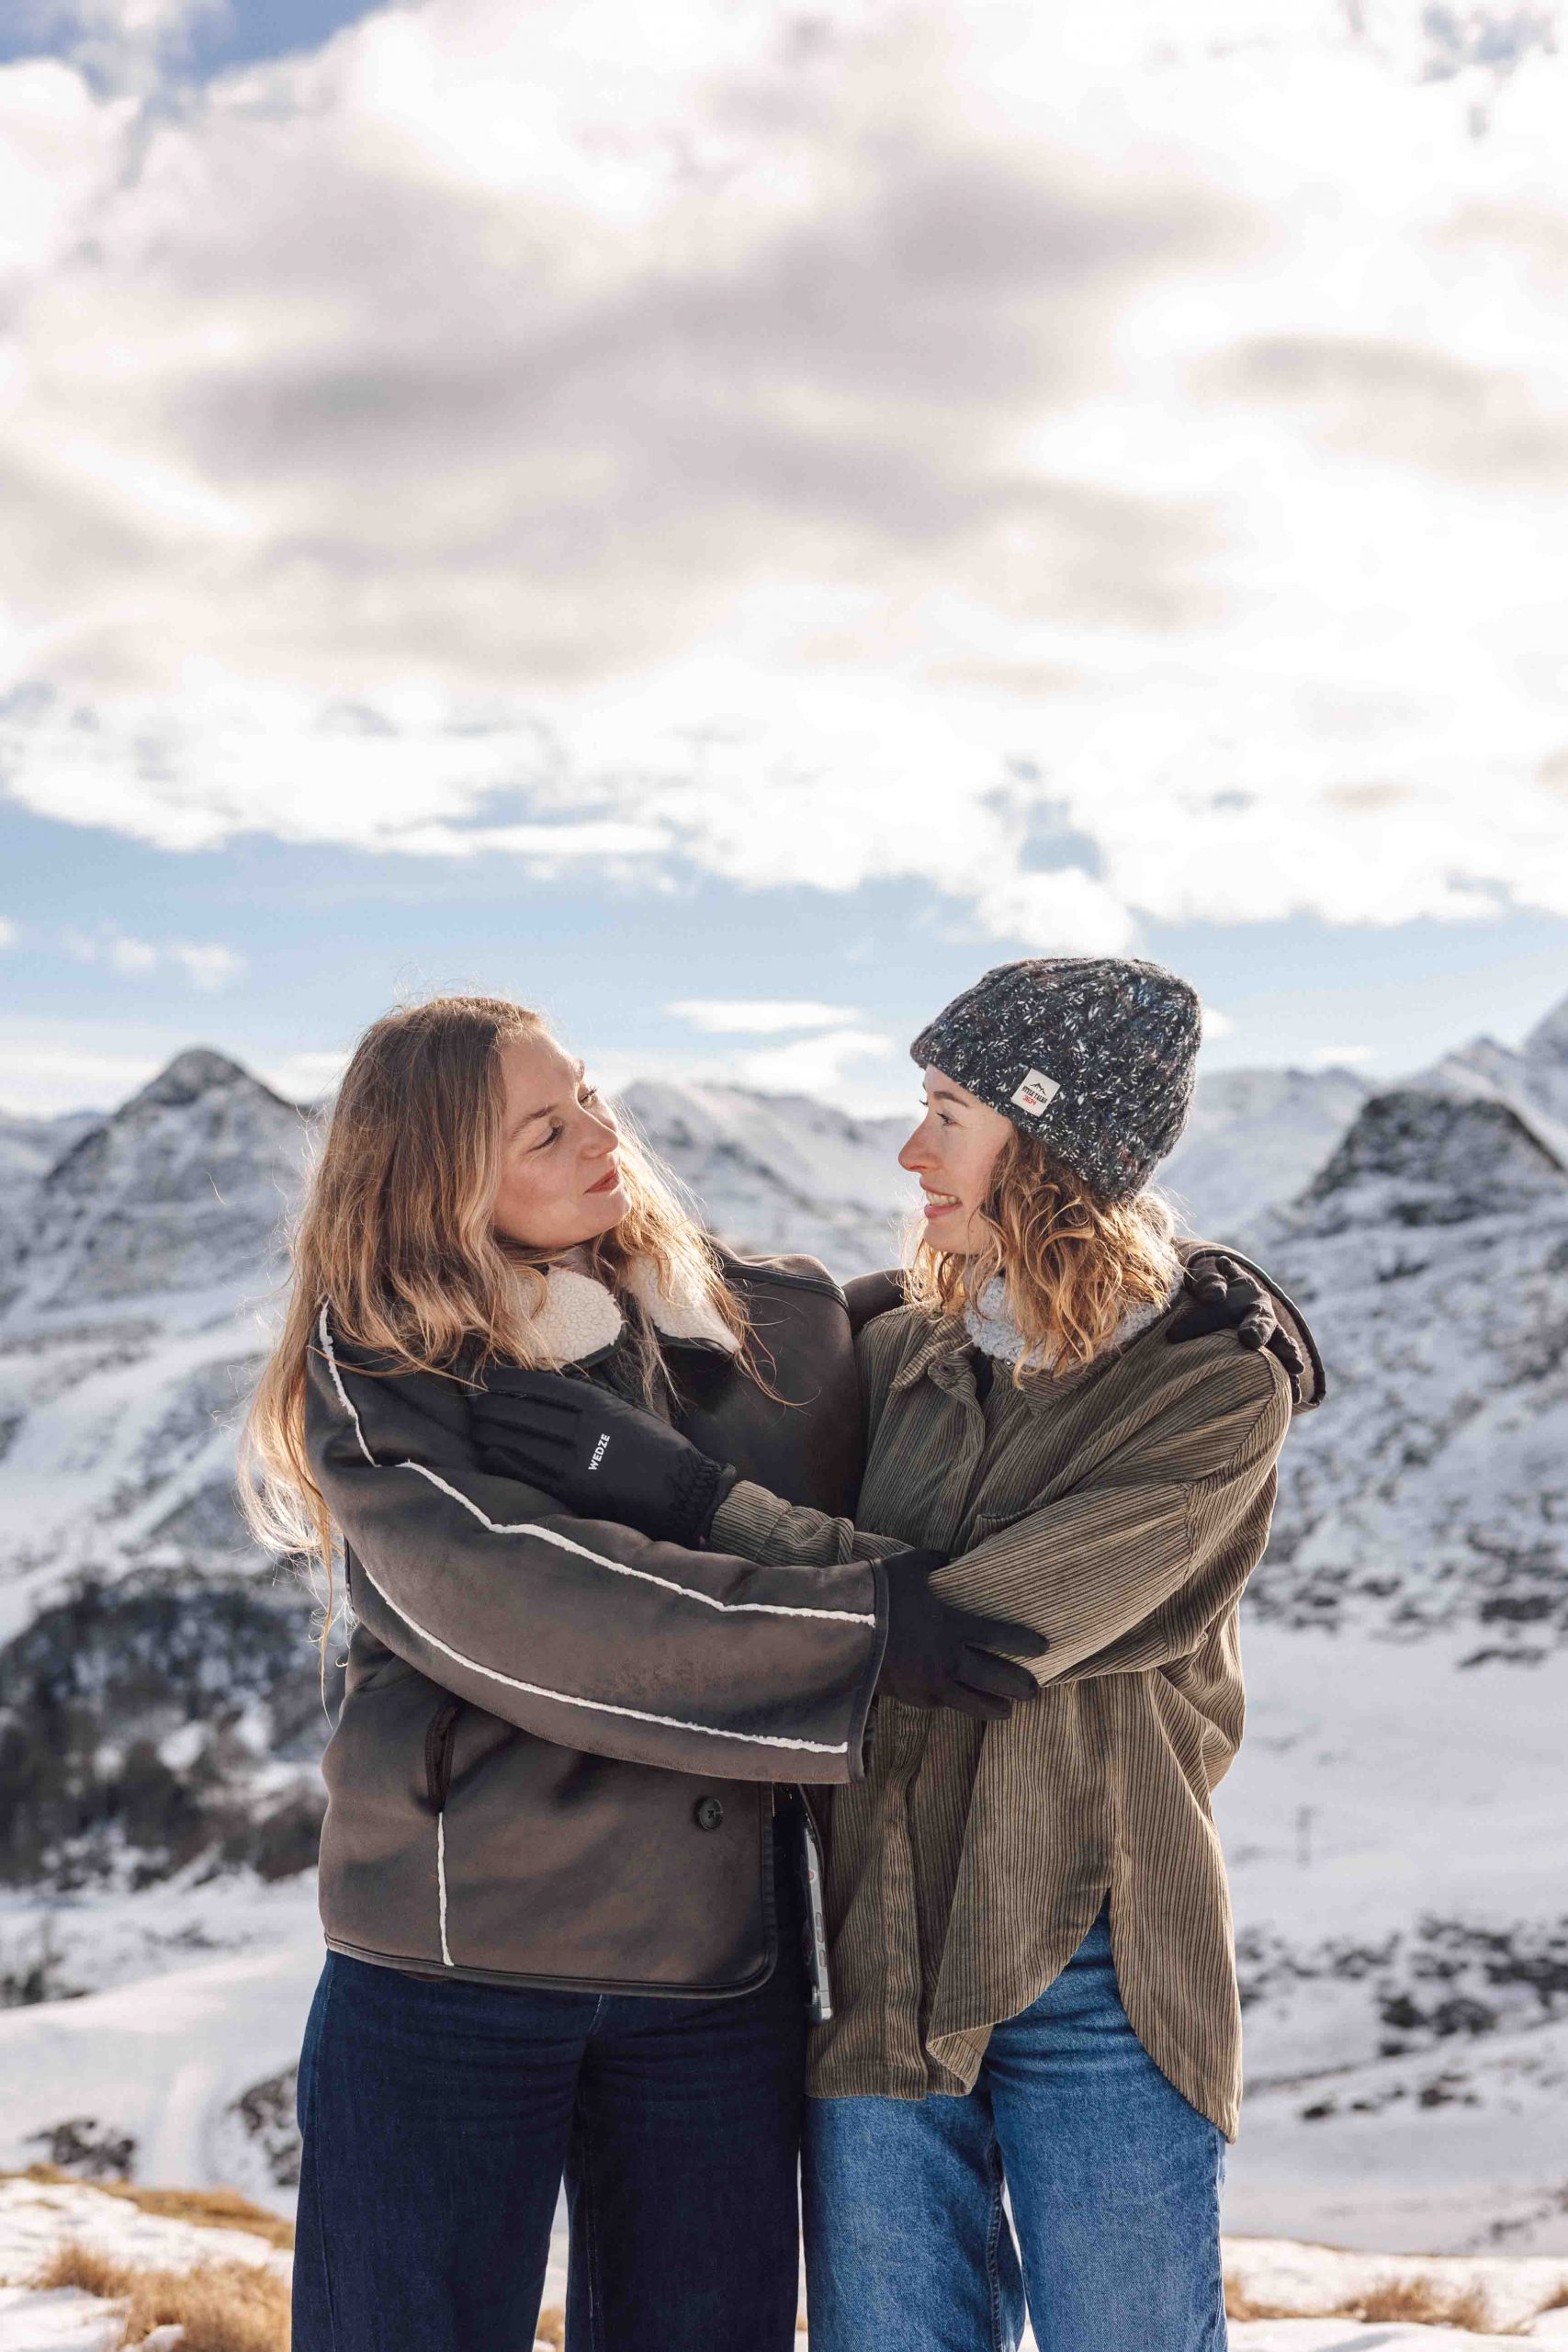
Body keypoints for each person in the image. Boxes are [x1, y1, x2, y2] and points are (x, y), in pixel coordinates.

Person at [472, 955, 1324, 2352]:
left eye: (950, 1111)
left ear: (1048, 1145)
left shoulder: (1215, 1385)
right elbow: (719, 1314)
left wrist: (693, 1499)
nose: (909, 1147)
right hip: (884, 1954)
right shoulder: (911, 1344)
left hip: (1102, 1970)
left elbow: (982, 1626)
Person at [241, 992, 1047, 2352]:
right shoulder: (388, 1369)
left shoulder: (743, 1321)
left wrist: (1181, 1294)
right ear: (436, 1185)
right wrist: (863, 1633)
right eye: (543, 1130)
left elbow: (954, 1331)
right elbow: (543, 1614)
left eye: (592, 1097)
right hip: (455, 1974)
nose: (599, 1137)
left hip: (713, 1980)